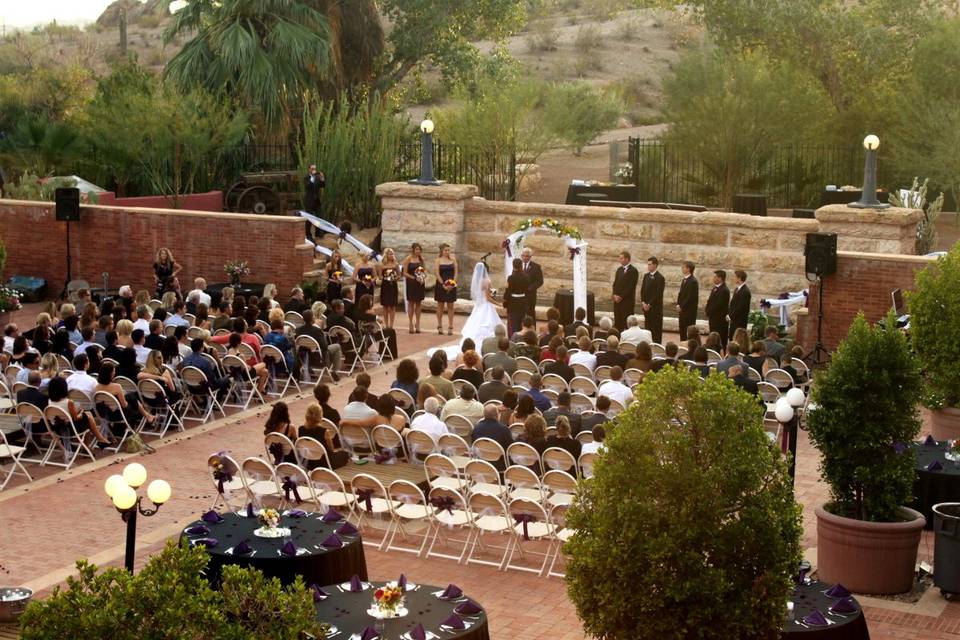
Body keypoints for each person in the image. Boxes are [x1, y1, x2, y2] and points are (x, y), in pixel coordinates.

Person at [48, 376, 113, 446]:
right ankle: (99, 440)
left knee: (88, 415)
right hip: (70, 430)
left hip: (57, 429)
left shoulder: (49, 401)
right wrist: (81, 412)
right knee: (88, 417)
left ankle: (96, 442)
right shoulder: (69, 402)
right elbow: (76, 418)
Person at [461, 261, 504, 351]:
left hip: (478, 306)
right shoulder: (487, 281)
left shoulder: (476, 281)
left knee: (476, 323)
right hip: (486, 306)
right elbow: (488, 298)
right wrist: (499, 304)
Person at [294, 310, 342, 382]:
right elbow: (325, 346)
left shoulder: (298, 330)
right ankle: (335, 371)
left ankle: (329, 369)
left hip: (304, 358)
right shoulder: (317, 330)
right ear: (312, 319)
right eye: (313, 316)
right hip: (318, 358)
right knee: (337, 346)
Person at [298, 402, 349, 470]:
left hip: (309, 463)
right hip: (324, 463)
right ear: (320, 415)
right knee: (345, 454)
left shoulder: (300, 429)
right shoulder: (324, 431)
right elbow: (331, 449)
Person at [434, 243, 458, 335]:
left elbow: (456, 272)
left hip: (452, 285)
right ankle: (439, 325)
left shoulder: (453, 260)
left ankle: (450, 326)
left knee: (451, 306)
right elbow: (437, 273)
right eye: (445, 250)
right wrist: (443, 284)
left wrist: (453, 284)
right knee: (440, 305)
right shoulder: (438, 260)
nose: (447, 252)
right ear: (441, 251)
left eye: (448, 250)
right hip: (441, 285)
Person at [401, 242, 426, 334]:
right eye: (416, 249)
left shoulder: (421, 259)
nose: (418, 251)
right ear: (413, 250)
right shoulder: (408, 259)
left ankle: (418, 323)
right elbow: (404, 273)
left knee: (419, 303)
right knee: (411, 303)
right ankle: (410, 323)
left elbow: (425, 270)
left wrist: (423, 276)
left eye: (419, 249)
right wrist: (414, 277)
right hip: (411, 283)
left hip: (420, 283)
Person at [640, 256, 665, 344]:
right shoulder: (646, 276)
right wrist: (643, 302)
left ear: (655, 265)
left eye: (650, 264)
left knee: (656, 330)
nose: (648, 266)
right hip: (646, 309)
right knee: (648, 329)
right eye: (648, 264)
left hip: (655, 309)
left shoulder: (660, 278)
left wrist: (649, 304)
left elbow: (658, 294)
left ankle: (656, 347)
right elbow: (642, 290)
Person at [612, 251, 639, 331]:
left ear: (627, 259)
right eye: (619, 258)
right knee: (618, 323)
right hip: (617, 303)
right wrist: (614, 295)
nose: (620, 260)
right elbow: (615, 284)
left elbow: (631, 286)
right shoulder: (619, 270)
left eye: (621, 258)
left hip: (627, 302)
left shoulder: (633, 271)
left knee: (627, 324)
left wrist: (621, 296)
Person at [504, 258, 530, 337]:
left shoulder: (511, 278)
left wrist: (505, 302)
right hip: (523, 302)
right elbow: (527, 290)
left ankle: (513, 341)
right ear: (521, 266)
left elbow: (508, 291)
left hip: (513, 304)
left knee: (513, 326)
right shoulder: (526, 277)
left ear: (513, 266)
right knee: (522, 324)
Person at [705, 270, 731, 346]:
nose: (714, 278)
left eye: (715, 277)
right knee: (712, 337)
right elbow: (710, 301)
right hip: (713, 318)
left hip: (719, 320)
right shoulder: (715, 288)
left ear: (720, 278)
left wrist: (709, 311)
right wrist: (707, 310)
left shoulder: (724, 290)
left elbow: (718, 305)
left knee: (719, 339)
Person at [518, 247, 543, 320]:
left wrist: (531, 288)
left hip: (530, 296)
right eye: (523, 256)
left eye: (527, 256)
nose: (525, 258)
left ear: (530, 257)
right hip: (519, 295)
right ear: (521, 256)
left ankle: (532, 330)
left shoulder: (536, 267)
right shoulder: (517, 265)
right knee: (520, 315)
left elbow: (540, 281)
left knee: (530, 314)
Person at [676, 260, 699, 340]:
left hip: (689, 312)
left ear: (688, 269)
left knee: (689, 332)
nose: (682, 269)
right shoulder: (684, 280)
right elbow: (681, 294)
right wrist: (678, 304)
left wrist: (681, 306)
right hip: (682, 311)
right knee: (682, 330)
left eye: (684, 267)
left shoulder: (693, 281)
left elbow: (689, 297)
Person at [379, 248, 401, 330]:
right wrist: (386, 277)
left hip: (393, 285)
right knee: (385, 306)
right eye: (390, 254)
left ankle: (391, 325)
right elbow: (380, 276)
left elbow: (399, 275)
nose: (392, 255)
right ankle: (386, 324)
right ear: (386, 255)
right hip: (385, 285)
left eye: (392, 254)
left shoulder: (396, 264)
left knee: (392, 306)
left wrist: (394, 277)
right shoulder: (382, 265)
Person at [727, 270, 751, 343]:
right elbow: (733, 304)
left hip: (740, 321)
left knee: (738, 341)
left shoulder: (745, 291)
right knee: (732, 339)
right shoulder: (737, 289)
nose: (734, 279)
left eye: (735, 277)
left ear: (739, 278)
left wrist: (730, 316)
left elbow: (740, 307)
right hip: (734, 321)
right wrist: (729, 313)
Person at [302, 163, 325, 240]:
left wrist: (322, 178)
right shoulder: (306, 178)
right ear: (309, 169)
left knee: (319, 217)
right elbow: (307, 186)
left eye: (315, 169)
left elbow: (322, 185)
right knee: (309, 218)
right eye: (312, 169)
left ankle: (318, 233)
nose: (314, 170)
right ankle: (308, 234)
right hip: (309, 201)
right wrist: (312, 178)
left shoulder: (317, 177)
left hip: (316, 201)